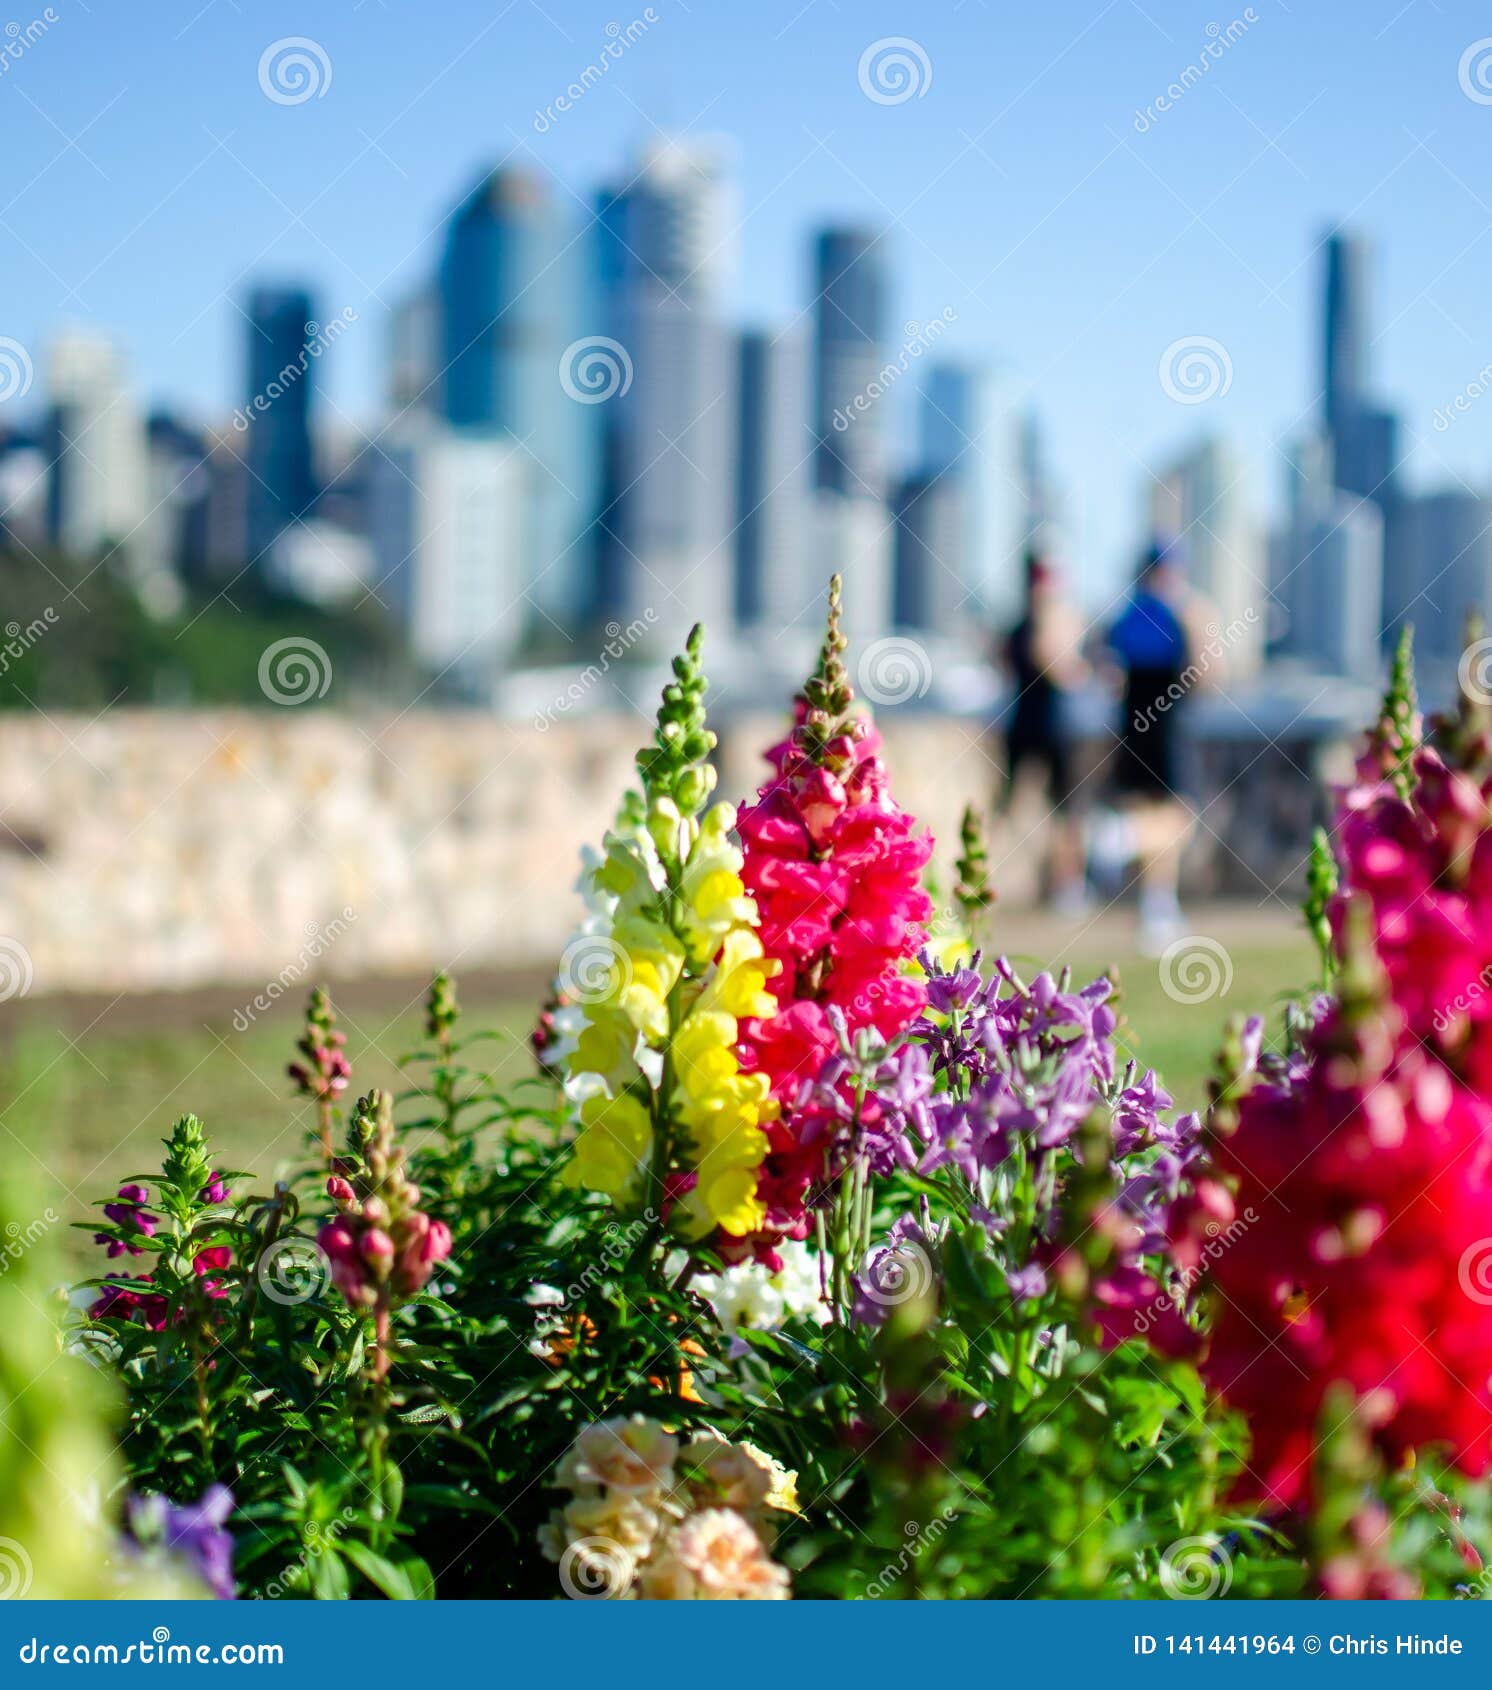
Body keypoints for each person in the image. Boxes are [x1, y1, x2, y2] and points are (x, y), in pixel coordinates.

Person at [1105, 540, 1213, 952]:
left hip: (1134, 722)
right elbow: (1205, 674)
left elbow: (1106, 665)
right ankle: (1127, 844)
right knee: (1176, 816)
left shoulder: (1127, 613)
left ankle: (1157, 903)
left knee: (1153, 812)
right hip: (1168, 724)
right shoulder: (1182, 611)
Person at [1000, 550, 1088, 913]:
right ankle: (1000, 878)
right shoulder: (1022, 623)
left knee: (1066, 813)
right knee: (1010, 806)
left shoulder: (1059, 618)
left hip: (1057, 727)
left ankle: (1066, 884)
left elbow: (1062, 667)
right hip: (1025, 724)